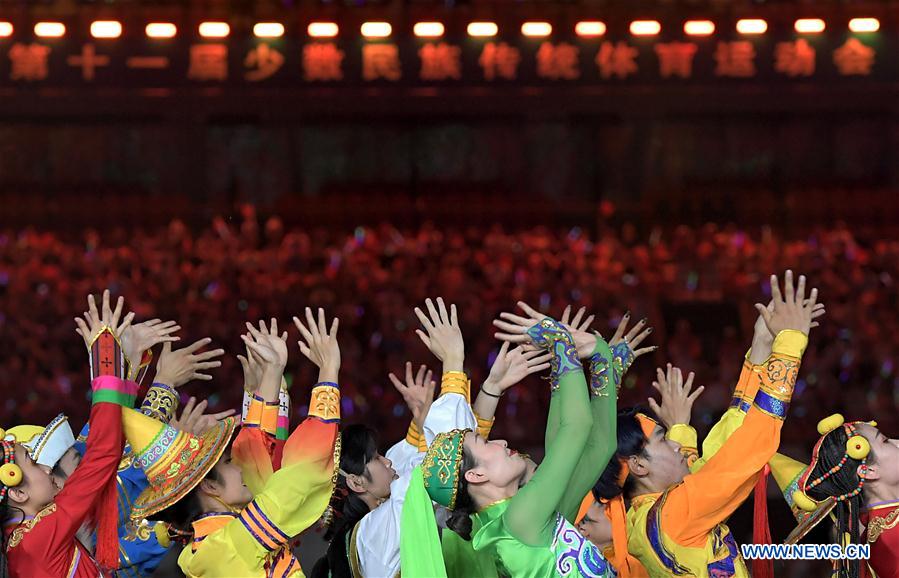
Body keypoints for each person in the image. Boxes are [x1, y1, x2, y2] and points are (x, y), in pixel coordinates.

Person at [593, 271, 815, 577]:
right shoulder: (672, 516)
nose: (674, 444)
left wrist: (761, 346)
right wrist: (790, 345)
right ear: (638, 466)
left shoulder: (645, 516)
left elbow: (717, 460)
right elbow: (740, 457)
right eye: (662, 439)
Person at [403, 304, 628, 578]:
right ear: (475, 475)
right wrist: (559, 341)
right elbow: (576, 428)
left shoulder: (518, 517)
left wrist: (594, 359)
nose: (500, 442)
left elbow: (600, 447)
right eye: (484, 443)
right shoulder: (519, 521)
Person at [311, 298, 477, 578]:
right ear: (356, 482)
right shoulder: (376, 531)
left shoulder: (368, 531)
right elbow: (442, 465)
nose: (388, 461)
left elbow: (409, 464)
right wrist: (453, 363)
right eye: (375, 457)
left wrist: (419, 422)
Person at [3, 291, 139, 576]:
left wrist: (127, 362)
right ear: (17, 492)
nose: (49, 471)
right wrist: (106, 355)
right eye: (33, 461)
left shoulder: (23, 542)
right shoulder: (39, 537)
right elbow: (101, 455)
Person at [788, 412, 899, 578]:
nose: (897, 442)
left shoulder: (871, 526)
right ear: (868, 471)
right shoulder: (890, 538)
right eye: (885, 440)